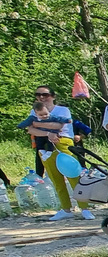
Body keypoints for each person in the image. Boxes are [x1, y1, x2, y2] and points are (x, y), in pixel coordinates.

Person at [23, 85, 94, 220]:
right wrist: (47, 132)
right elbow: (31, 129)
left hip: (63, 143)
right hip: (45, 146)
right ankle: (66, 209)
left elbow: (59, 126)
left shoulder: (63, 110)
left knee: (73, 175)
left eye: (45, 95)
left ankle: (84, 208)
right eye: (38, 95)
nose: (41, 97)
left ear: (53, 96)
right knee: (56, 179)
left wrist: (44, 128)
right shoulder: (34, 112)